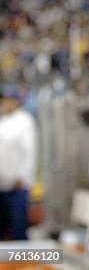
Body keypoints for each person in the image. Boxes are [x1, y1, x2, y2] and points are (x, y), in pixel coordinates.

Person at [0, 86, 38, 240]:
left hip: (17, 186)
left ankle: (23, 264)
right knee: (2, 230)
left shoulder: (25, 121)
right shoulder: (3, 120)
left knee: (18, 228)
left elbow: (30, 152)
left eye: (9, 100)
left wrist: (22, 176)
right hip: (2, 184)